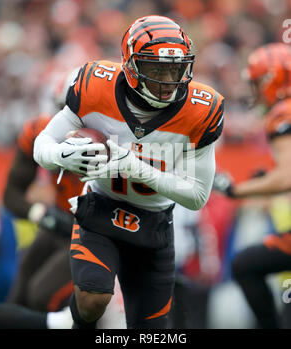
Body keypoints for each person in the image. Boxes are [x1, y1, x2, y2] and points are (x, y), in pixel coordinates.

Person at [34, 15, 224, 329]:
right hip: (101, 209)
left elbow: (197, 196)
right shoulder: (96, 86)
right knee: (92, 300)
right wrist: (61, 155)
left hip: (155, 224)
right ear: (131, 66)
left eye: (174, 68)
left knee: (150, 329)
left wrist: (135, 168)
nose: (167, 80)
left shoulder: (200, 111)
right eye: (156, 68)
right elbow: (43, 143)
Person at [213, 43, 291, 329]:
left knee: (245, 265)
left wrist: (236, 190)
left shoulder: (284, 112)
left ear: (274, 80)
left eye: (257, 82)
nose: (254, 90)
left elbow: (287, 177)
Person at [4, 68, 83, 313]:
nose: (68, 123)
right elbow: (11, 194)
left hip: (99, 232)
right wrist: (43, 215)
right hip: (61, 222)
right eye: (63, 111)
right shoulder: (40, 132)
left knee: (42, 294)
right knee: (19, 293)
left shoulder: (115, 140)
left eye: (77, 113)